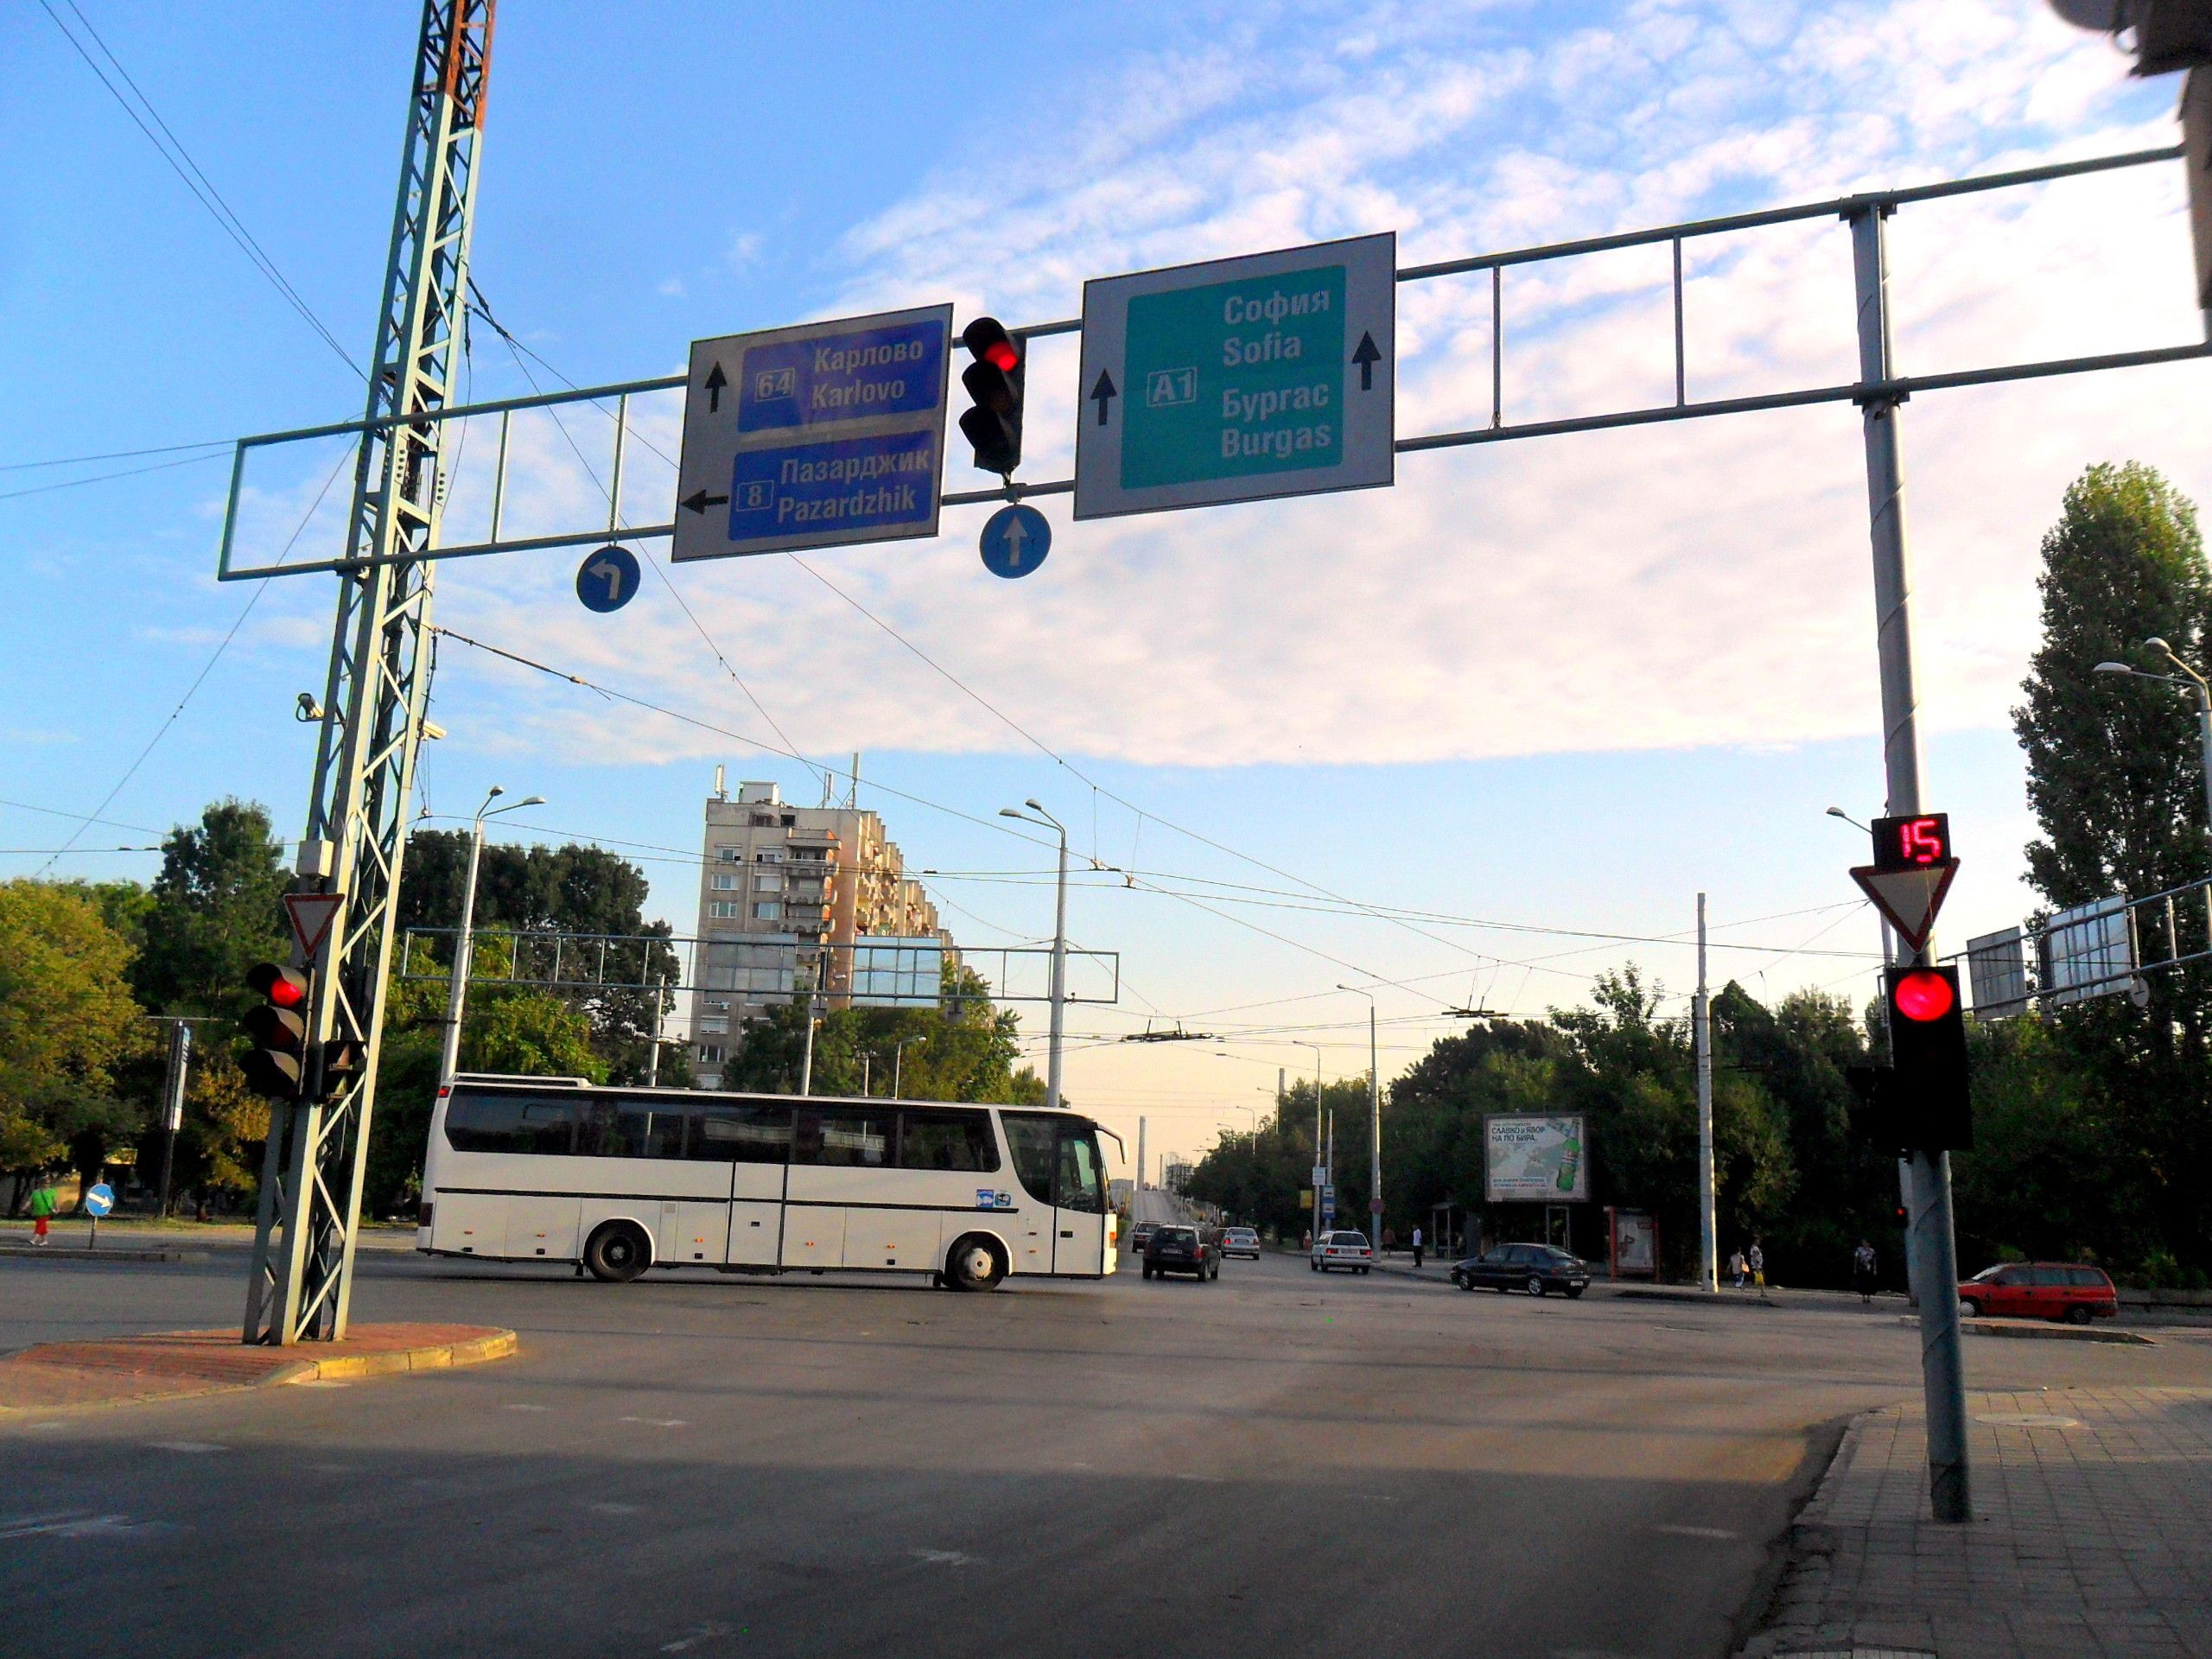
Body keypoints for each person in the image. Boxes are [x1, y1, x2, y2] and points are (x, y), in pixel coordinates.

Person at [28, 1179, 59, 1246]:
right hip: (37, 1212)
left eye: (48, 1183)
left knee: (41, 1224)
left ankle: (34, 1239)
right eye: (45, 1183)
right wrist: (25, 1207)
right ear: (41, 1184)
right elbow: (30, 1201)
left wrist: (57, 1208)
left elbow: (55, 1201)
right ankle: (45, 1240)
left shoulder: (52, 1191)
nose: (47, 1184)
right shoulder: (35, 1192)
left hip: (47, 1211)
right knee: (42, 1225)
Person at [1853, 1239, 1878, 1303]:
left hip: (1869, 1268)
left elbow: (1874, 1260)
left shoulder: (1872, 1251)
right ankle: (1863, 1297)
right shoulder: (1859, 1250)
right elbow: (1856, 1258)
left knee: (1869, 1283)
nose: (1864, 1244)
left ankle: (1868, 1297)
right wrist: (1855, 1268)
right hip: (1862, 1268)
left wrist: (1875, 1269)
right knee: (1862, 1282)